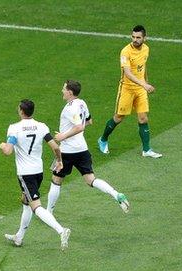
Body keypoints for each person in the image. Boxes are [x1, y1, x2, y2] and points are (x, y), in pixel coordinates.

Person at [46, 80, 130, 214]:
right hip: (82, 149)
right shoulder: (82, 103)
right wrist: (74, 130)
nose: (62, 91)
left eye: (64, 89)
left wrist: (63, 136)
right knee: (91, 179)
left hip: (67, 151)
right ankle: (116, 194)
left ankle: (48, 213)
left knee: (56, 180)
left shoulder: (70, 108)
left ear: (70, 92)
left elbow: (79, 126)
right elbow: (89, 121)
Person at [0, 100, 71, 249]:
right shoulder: (41, 126)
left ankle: (61, 230)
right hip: (38, 171)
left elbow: (8, 151)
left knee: (36, 206)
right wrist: (59, 161)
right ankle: (19, 237)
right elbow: (55, 147)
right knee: (26, 201)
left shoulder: (14, 128)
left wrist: (2, 145)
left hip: (26, 174)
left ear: (20, 111)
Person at [98, 25, 162, 158]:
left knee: (143, 118)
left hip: (140, 89)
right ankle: (103, 139)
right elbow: (127, 73)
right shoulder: (125, 52)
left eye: (138, 37)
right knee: (118, 118)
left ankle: (146, 150)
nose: (135, 39)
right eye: (133, 37)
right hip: (126, 88)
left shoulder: (146, 49)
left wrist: (146, 82)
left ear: (145, 38)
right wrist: (144, 85)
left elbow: (143, 67)